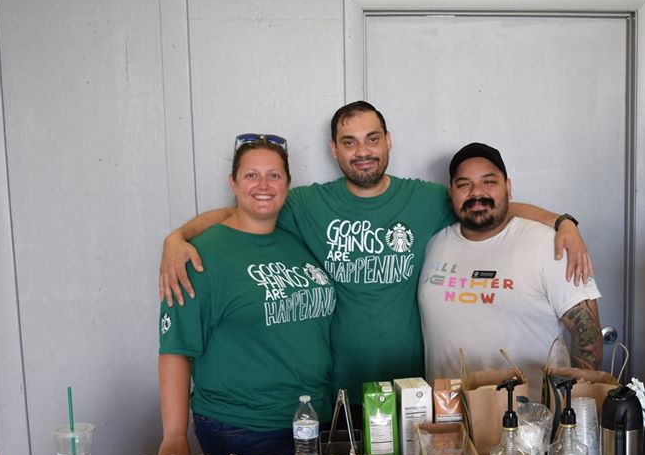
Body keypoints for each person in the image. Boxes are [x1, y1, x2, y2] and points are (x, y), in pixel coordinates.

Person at [158, 102, 593, 408]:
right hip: (338, 390)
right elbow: (246, 209)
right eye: (349, 142)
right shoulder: (308, 203)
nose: (362, 151)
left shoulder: (423, 199)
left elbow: (483, 204)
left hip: (412, 387)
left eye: (371, 139)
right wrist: (178, 236)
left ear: (388, 142)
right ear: (334, 150)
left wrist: (562, 221)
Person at [158, 135, 336, 455]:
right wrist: (174, 436)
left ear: (288, 184)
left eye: (274, 175)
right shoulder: (201, 256)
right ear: (233, 183)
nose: (263, 185)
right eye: (251, 175)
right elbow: (175, 348)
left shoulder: (294, 240)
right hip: (242, 425)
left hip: (311, 423)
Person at [418, 142, 603, 399]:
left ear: (508, 187)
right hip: (448, 419)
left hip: (533, 423)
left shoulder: (549, 245)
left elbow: (587, 335)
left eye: (489, 182)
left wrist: (574, 411)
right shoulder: (434, 243)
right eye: (464, 184)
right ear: (451, 193)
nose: (476, 193)